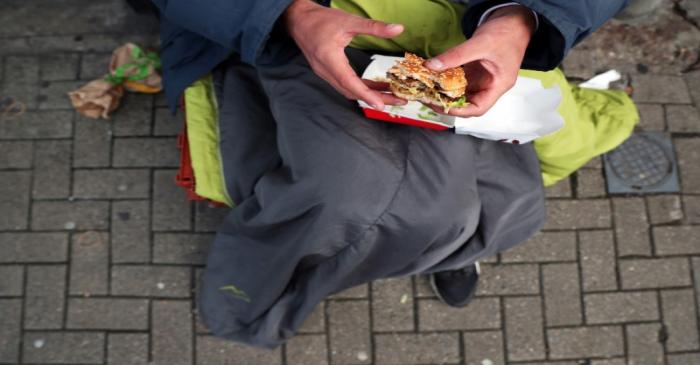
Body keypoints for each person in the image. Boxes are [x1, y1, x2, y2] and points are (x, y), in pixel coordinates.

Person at [149, 0, 629, 348]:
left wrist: (524, 17)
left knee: (522, 183)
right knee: (362, 200)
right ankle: (254, 292)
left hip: (475, 32)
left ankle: (447, 246)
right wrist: (287, 14)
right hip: (303, 39)